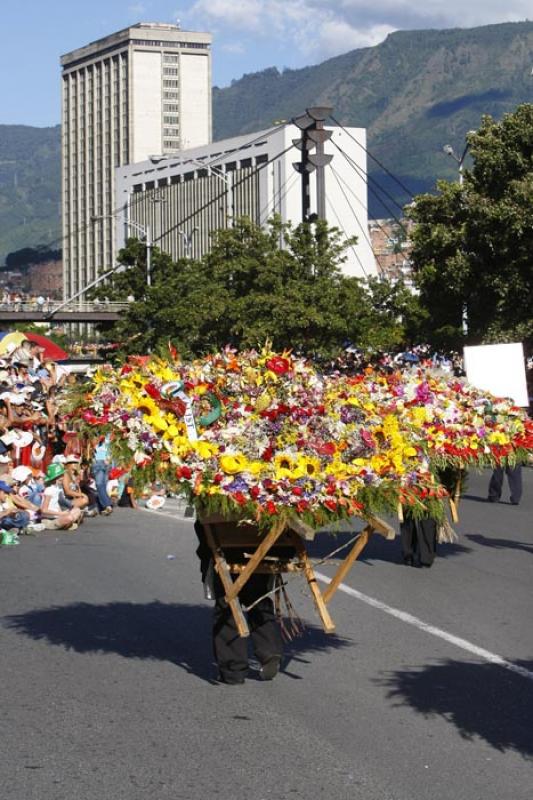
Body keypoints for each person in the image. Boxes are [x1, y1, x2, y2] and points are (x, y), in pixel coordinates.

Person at [194, 520, 283, 684]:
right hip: (261, 546)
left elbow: (203, 528)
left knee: (227, 605)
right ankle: (269, 649)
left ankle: (232, 669)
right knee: (258, 598)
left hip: (226, 551)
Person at [40, 463, 82, 530]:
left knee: (77, 510)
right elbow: (44, 510)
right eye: (60, 476)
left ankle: (66, 524)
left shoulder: (57, 488)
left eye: (62, 475)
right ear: (55, 478)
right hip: (49, 519)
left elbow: (56, 504)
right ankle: (65, 525)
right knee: (69, 518)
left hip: (57, 516)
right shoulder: (49, 490)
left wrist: (63, 513)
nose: (63, 478)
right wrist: (60, 513)